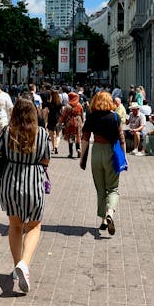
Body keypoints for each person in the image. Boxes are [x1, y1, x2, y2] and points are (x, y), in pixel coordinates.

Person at [0, 97, 50, 293]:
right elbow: (46, 160)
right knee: (34, 225)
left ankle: (17, 264)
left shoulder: (7, 132)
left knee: (15, 225)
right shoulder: (42, 134)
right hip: (34, 181)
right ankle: (24, 264)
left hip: (10, 182)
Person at [80, 91, 125, 236]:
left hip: (97, 152)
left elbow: (85, 138)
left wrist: (82, 158)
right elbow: (121, 138)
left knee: (100, 188)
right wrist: (124, 156)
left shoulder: (92, 117)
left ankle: (103, 221)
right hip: (111, 152)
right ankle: (110, 212)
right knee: (112, 188)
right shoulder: (115, 117)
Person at [60, 91, 84, 158]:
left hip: (70, 122)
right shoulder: (79, 105)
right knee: (78, 137)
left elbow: (64, 115)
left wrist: (61, 122)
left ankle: (71, 153)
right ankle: (78, 149)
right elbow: (82, 114)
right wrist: (82, 121)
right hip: (78, 122)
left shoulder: (68, 106)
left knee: (70, 138)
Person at [46, 89, 63, 154]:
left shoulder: (49, 103)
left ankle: (53, 147)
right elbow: (61, 111)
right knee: (58, 134)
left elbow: (47, 111)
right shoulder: (59, 103)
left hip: (51, 118)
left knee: (52, 134)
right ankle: (56, 146)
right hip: (58, 118)